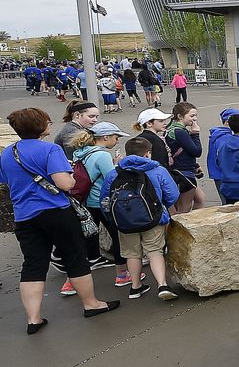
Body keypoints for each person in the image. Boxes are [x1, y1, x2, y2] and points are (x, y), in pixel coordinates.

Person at [1, 107, 118, 333]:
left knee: (33, 264)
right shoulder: (50, 150)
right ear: (41, 126)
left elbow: (5, 179)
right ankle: (91, 304)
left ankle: (33, 318)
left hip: (24, 216)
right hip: (55, 211)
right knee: (75, 257)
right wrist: (73, 177)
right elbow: (65, 184)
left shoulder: (8, 153)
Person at [101, 135, 181, 300]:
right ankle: (162, 285)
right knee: (155, 251)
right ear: (147, 153)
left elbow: (104, 200)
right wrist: (161, 207)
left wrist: (113, 218)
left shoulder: (114, 173)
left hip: (125, 221)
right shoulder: (157, 170)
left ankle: (135, 287)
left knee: (132, 253)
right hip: (154, 219)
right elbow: (172, 195)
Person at [72, 122, 132, 285]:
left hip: (86, 202)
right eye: (116, 137)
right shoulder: (102, 155)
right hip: (102, 202)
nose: (117, 140)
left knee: (86, 237)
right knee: (117, 236)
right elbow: (111, 178)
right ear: (105, 137)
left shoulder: (80, 152)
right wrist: (118, 165)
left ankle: (72, 280)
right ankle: (122, 274)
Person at [164, 102, 205, 213]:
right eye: (191, 116)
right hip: (183, 172)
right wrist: (195, 134)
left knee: (200, 199)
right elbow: (196, 151)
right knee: (184, 208)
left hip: (182, 169)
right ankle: (183, 227)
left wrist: (195, 165)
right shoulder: (179, 132)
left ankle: (193, 223)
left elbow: (183, 151)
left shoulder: (171, 129)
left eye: (196, 115)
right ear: (180, 116)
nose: (195, 119)